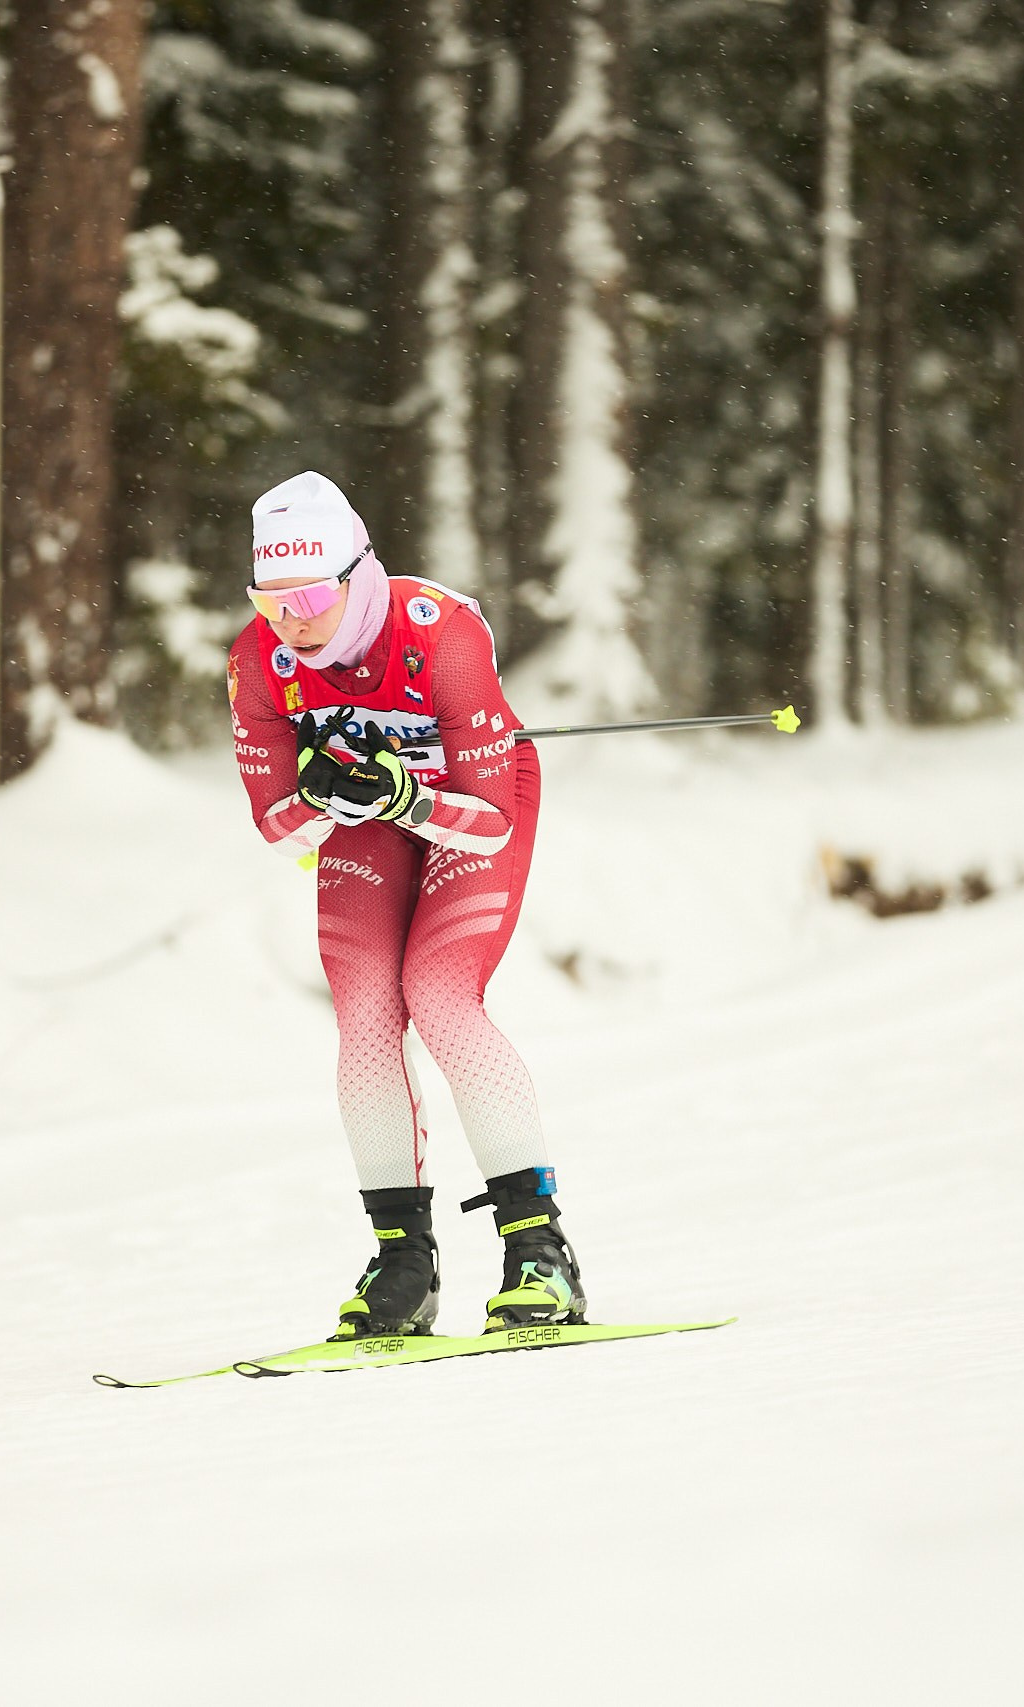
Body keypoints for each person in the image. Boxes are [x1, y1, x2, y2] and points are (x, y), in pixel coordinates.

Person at [225, 470, 585, 1341]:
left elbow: (492, 823)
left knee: (440, 993)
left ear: (358, 573)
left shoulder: (441, 633)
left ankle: (540, 1251)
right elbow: (279, 828)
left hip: (466, 810)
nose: (292, 619)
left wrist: (407, 797)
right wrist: (327, 794)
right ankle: (402, 1261)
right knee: (364, 1011)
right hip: (368, 816)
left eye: (310, 595)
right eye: (270, 600)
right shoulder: (259, 658)